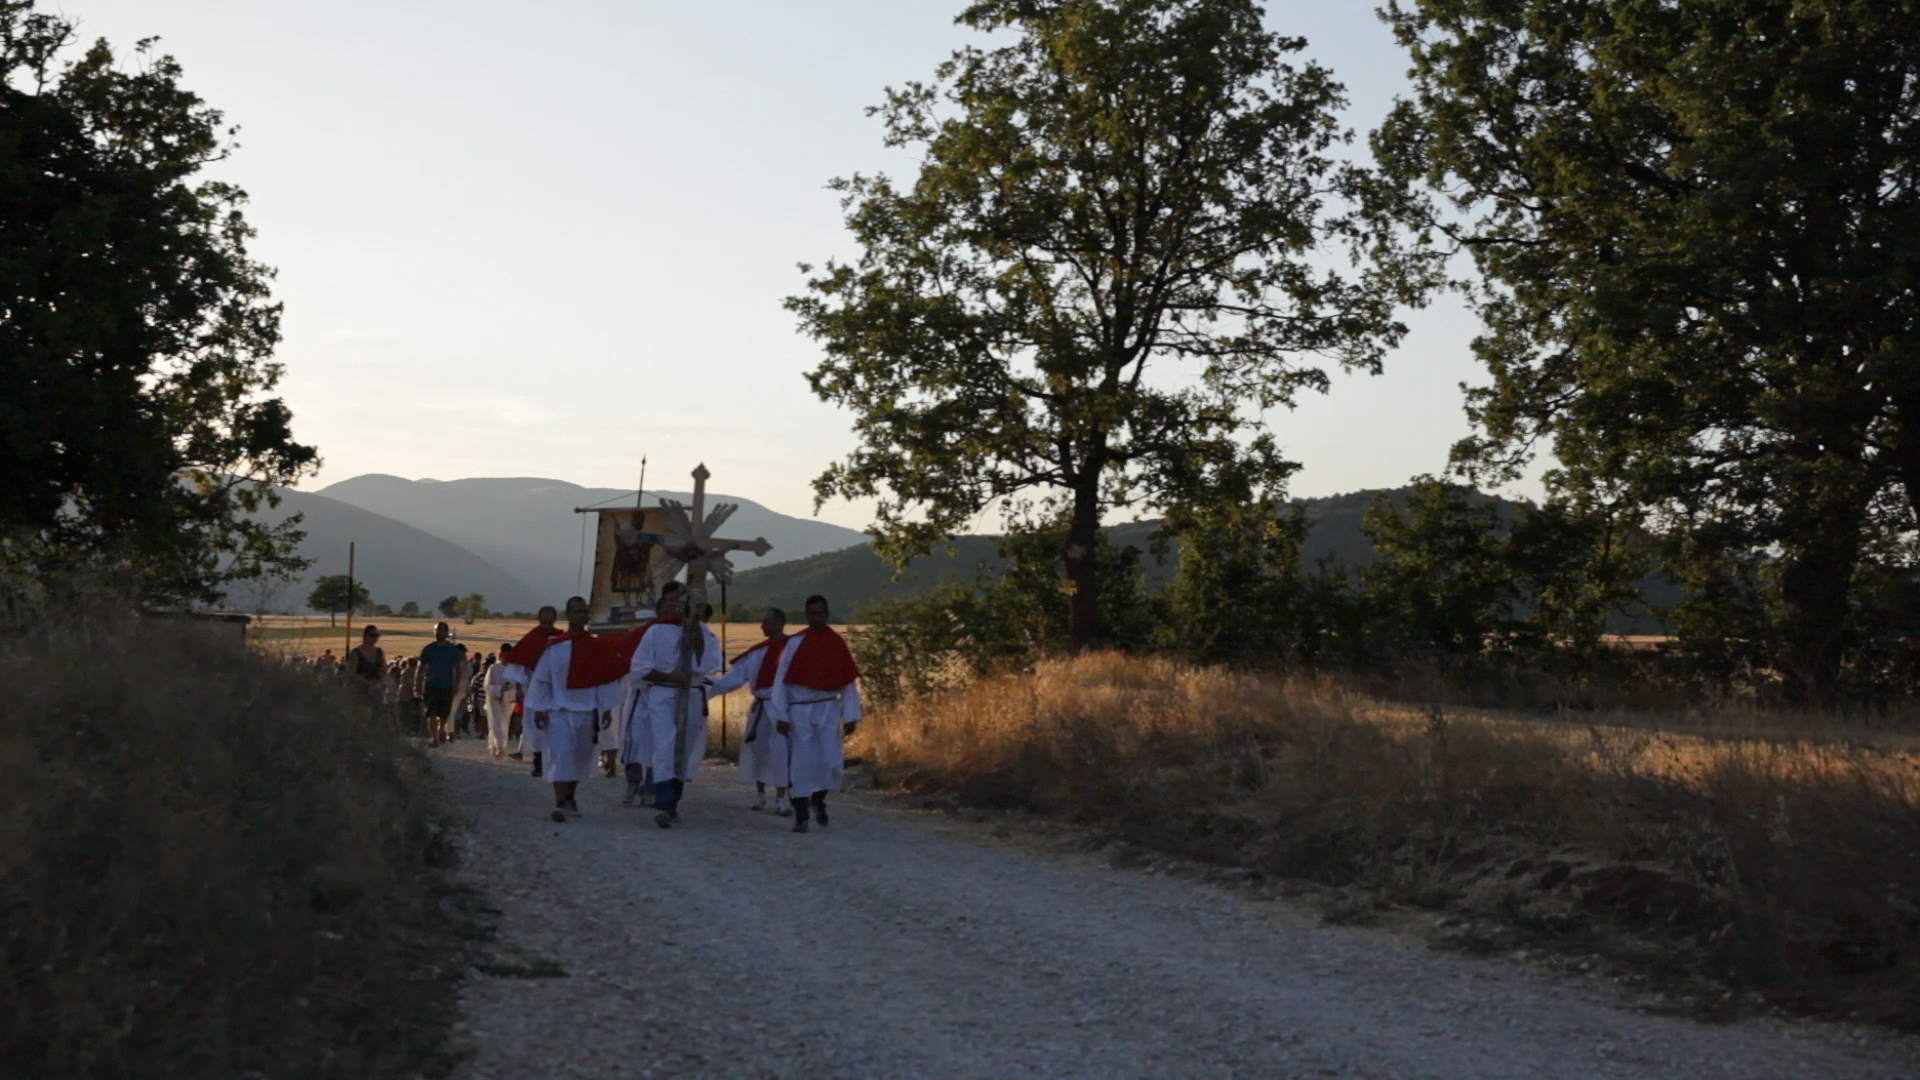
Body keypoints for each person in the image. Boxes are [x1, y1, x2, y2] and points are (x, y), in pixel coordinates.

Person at [523, 596, 625, 820]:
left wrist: (606, 708)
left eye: (584, 611)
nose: (581, 615)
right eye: (576, 611)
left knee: (579, 757)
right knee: (561, 755)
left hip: (587, 713)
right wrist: (539, 708)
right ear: (568, 614)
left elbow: (603, 678)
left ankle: (570, 797)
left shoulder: (595, 647)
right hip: (558, 711)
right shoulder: (554, 648)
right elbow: (542, 679)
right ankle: (560, 801)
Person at [628, 588, 720, 828]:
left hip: (691, 692)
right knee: (665, 743)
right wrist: (671, 677)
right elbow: (639, 668)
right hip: (662, 692)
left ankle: (674, 801)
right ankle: (663, 802)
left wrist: (695, 639)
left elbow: (711, 664)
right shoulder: (657, 631)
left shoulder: (702, 631)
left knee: (685, 746)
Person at [770, 595, 861, 833]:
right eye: (812, 613)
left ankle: (818, 798)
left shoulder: (836, 642)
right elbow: (780, 680)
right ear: (807, 614)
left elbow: (847, 682)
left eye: (820, 613)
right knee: (802, 761)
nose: (816, 617)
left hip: (828, 707)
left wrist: (851, 713)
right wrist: (780, 713)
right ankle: (801, 813)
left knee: (831, 762)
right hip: (800, 708)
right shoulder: (796, 642)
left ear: (827, 614)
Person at [707, 607, 793, 814]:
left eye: (766, 622)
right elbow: (733, 679)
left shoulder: (794, 650)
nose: (762, 626)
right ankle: (760, 794)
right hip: (761, 706)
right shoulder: (757, 652)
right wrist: (705, 686)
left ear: (779, 624)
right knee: (758, 749)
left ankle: (782, 799)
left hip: (783, 708)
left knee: (781, 751)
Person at [503, 606, 567, 775]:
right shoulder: (530, 639)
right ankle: (538, 763)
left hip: (557, 690)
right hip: (535, 689)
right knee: (536, 727)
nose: (547, 625)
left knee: (556, 725)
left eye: (550, 622)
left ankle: (554, 761)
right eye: (544, 622)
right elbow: (519, 667)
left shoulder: (561, 637)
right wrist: (519, 689)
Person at [415, 623, 466, 746]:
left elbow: (458, 670)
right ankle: (434, 738)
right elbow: (420, 668)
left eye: (443, 630)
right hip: (431, 685)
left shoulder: (452, 650)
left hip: (446, 686)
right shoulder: (428, 649)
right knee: (431, 713)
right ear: (435, 632)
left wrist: (456, 685)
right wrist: (417, 685)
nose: (440, 633)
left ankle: (442, 727)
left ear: (446, 632)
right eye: (438, 630)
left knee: (444, 714)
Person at [483, 651, 515, 759]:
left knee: (504, 723)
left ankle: (498, 746)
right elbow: (487, 685)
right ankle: (498, 746)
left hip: (508, 700)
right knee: (495, 722)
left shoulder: (514, 668)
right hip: (494, 699)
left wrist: (509, 692)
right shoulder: (494, 668)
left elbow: (516, 685)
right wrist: (499, 689)